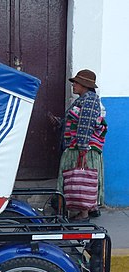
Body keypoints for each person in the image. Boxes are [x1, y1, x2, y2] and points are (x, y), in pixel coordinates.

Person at [49, 69, 107, 222]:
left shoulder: (89, 100)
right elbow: (74, 120)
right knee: (79, 179)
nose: (73, 85)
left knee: (80, 179)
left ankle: (84, 214)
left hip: (82, 149)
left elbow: (85, 125)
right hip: (79, 147)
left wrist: (82, 150)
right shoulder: (83, 99)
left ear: (84, 85)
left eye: (76, 82)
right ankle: (88, 209)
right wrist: (60, 122)